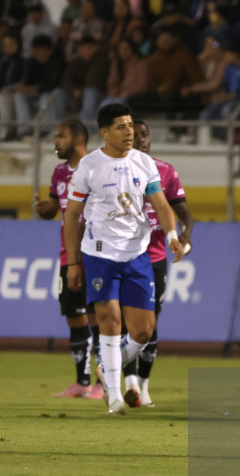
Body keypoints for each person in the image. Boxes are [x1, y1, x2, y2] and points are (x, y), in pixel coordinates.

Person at [63, 104, 184, 415]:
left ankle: (106, 367)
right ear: (104, 132)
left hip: (137, 255)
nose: (129, 131)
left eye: (131, 125)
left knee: (144, 332)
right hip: (100, 255)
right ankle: (114, 396)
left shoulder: (144, 163)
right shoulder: (89, 166)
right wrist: (74, 263)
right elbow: (73, 216)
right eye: (121, 126)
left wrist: (172, 236)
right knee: (110, 323)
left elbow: (162, 204)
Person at [121, 119, 194, 407]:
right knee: (129, 323)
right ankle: (129, 385)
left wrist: (186, 234)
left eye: (145, 134)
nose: (141, 139)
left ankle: (144, 384)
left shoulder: (165, 171)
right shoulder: (116, 170)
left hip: (156, 259)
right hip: (125, 258)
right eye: (134, 135)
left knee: (151, 325)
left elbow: (184, 212)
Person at [36, 120, 103, 400]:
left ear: (77, 139)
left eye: (60, 136)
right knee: (74, 319)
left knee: (99, 319)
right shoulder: (59, 172)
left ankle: (104, 385)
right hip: (68, 256)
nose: (55, 142)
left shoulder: (98, 167)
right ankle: (82, 382)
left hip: (97, 255)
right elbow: (55, 208)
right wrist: (45, 208)